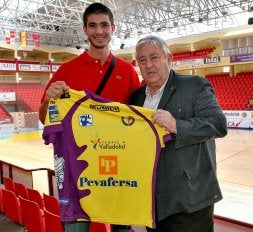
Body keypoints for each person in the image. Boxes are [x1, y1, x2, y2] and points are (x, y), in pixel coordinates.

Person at [39, 2, 140, 232]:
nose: (99, 31)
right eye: (92, 25)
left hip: (118, 168)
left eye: (104, 25)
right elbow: (46, 119)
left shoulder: (127, 71)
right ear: (85, 29)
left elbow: (137, 119)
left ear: (113, 28)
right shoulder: (66, 71)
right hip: (78, 169)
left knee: (122, 229)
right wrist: (48, 101)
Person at [128, 35, 228, 232]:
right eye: (142, 60)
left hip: (190, 202)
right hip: (152, 201)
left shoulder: (195, 86)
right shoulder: (135, 97)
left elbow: (218, 124)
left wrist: (177, 125)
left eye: (154, 57)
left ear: (169, 59)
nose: (148, 65)